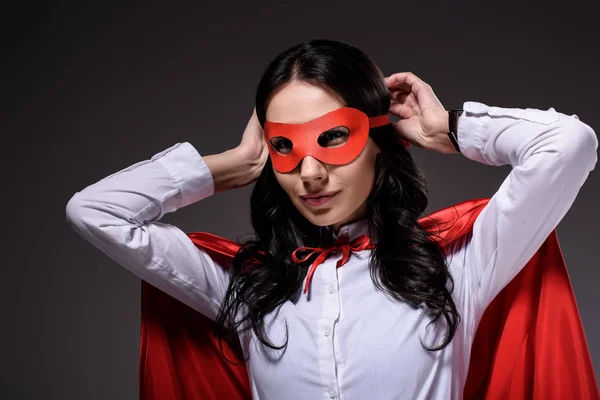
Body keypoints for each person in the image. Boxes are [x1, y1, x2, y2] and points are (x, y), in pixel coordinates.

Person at [65, 39, 598, 399]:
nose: (310, 172)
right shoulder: (241, 286)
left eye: (335, 137)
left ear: (378, 140)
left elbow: (568, 145)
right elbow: (96, 212)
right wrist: (235, 164)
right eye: (283, 147)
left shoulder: (461, 265)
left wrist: (446, 129)